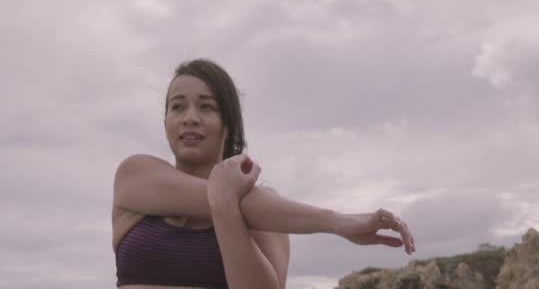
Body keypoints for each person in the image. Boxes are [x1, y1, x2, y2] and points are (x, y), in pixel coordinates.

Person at [112, 59, 415, 289]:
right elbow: (209, 197)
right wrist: (335, 221)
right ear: (165, 122)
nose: (190, 118)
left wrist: (227, 209)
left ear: (227, 123)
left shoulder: (271, 215)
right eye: (177, 107)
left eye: (206, 107)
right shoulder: (135, 174)